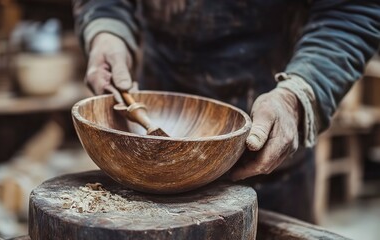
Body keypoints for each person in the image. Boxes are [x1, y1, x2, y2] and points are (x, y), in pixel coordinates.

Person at [72, 0, 380, 222]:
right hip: (153, 149)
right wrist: (107, 31)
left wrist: (296, 96)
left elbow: (352, 9)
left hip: (269, 146)